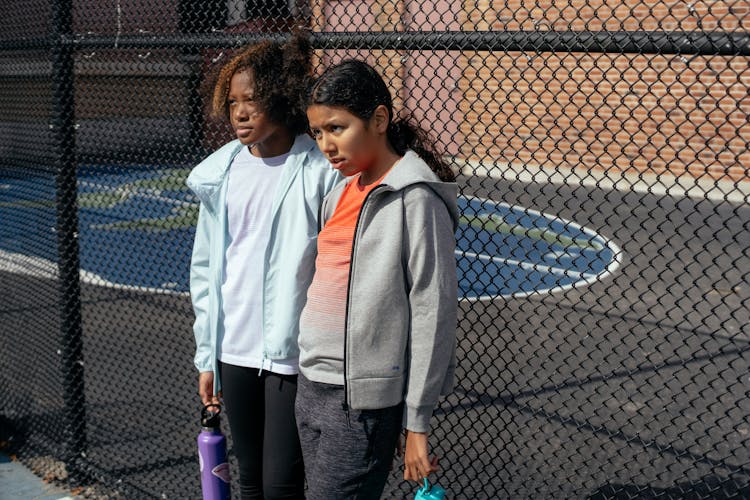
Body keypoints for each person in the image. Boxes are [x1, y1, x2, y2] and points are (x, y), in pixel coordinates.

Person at [295, 59, 458, 499]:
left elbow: (432, 309)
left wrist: (417, 421)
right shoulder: (340, 191)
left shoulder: (416, 198)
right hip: (310, 385)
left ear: (379, 120)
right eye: (317, 133)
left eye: (337, 127)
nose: (326, 144)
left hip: (360, 404)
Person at [186, 34, 340, 499]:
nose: (239, 112)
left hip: (290, 356)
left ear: (281, 96)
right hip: (233, 348)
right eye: (232, 101)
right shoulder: (221, 173)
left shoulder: (318, 171)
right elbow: (206, 269)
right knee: (248, 476)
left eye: (251, 99)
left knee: (280, 483)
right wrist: (206, 354)